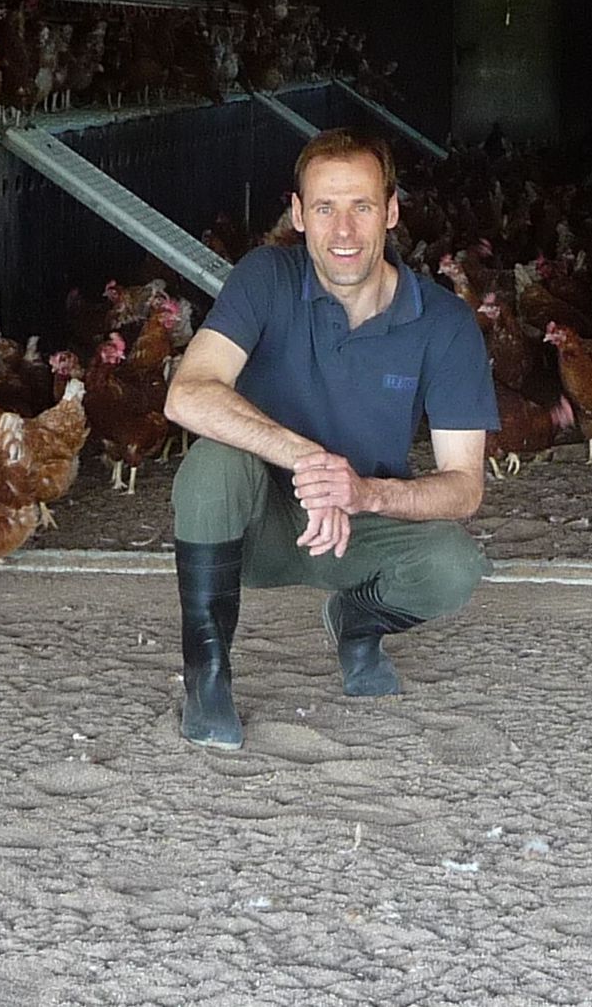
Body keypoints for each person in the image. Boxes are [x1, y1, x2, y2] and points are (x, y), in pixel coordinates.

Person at [161, 129, 498, 749]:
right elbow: (187, 393)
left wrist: (363, 493)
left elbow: (464, 486)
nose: (343, 231)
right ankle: (207, 676)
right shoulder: (265, 277)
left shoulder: (446, 324)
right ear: (297, 214)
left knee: (453, 566)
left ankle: (355, 620)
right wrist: (310, 460)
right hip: (254, 524)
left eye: (361, 207)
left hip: (354, 524)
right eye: (324, 208)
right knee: (211, 467)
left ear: (391, 212)